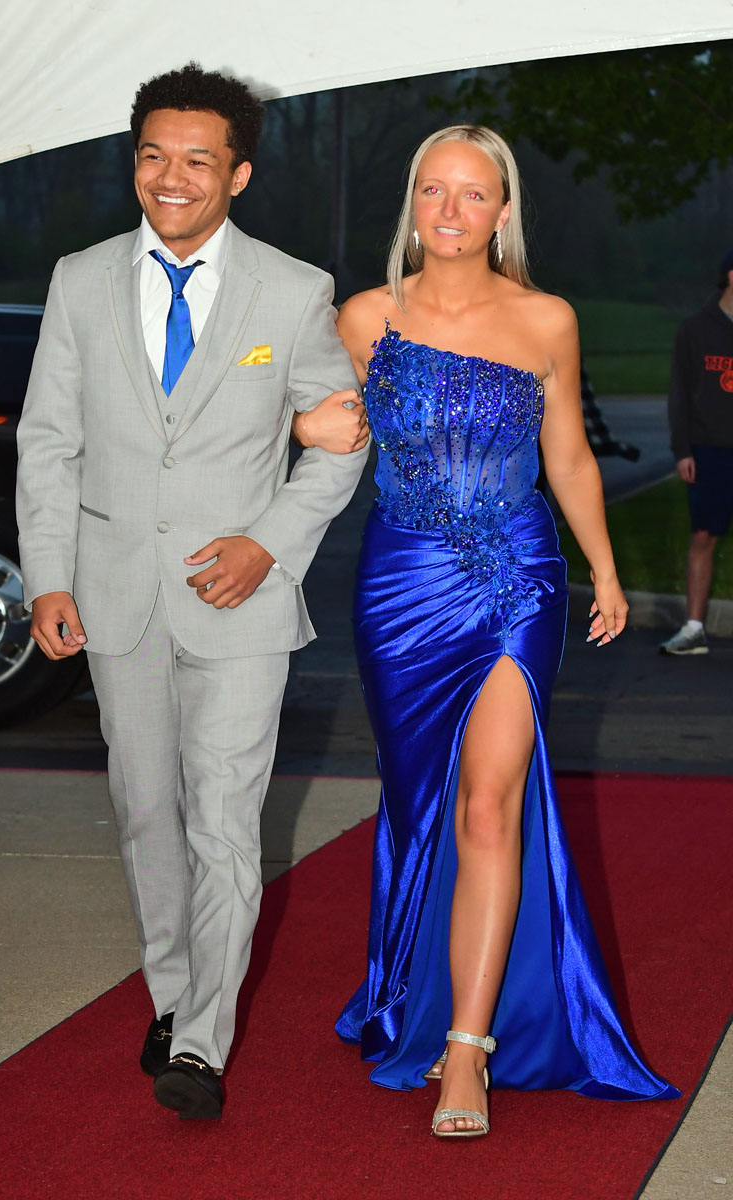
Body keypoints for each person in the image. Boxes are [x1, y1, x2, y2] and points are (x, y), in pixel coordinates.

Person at [298, 125, 679, 1138]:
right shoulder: (364, 318)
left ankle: (467, 1048)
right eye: (434, 190)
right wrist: (300, 425)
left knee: (486, 807)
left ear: (503, 211)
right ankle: (408, 986)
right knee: (420, 802)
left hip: (516, 579)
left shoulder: (546, 319)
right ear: (411, 204)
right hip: (400, 587)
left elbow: (569, 456)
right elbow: (302, 419)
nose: (452, 211)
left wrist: (603, 569)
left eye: (473, 194)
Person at [16, 62, 368, 1121]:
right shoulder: (79, 279)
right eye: (154, 157)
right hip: (113, 593)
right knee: (144, 812)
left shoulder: (292, 291)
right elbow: (48, 441)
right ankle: (172, 995)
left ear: (238, 174)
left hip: (239, 604)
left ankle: (201, 1045)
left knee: (223, 819)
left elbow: (341, 442)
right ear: (136, 163)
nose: (172, 178)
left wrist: (269, 544)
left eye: (198, 161)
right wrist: (47, 577)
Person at [660, 250, 733, 656]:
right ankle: (693, 630)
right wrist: (683, 449)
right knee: (703, 536)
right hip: (708, 449)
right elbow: (679, 394)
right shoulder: (695, 329)